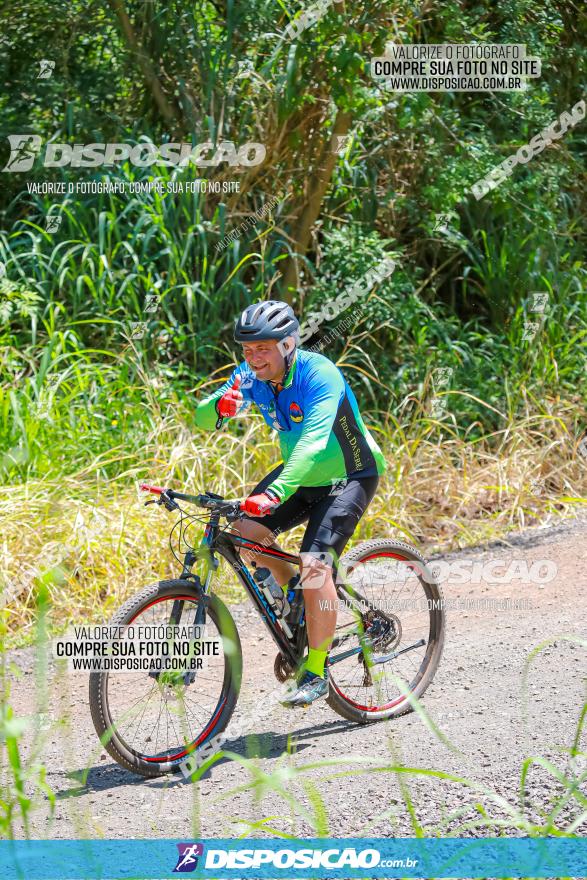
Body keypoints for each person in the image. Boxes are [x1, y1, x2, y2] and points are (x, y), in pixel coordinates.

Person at [194, 301, 386, 707]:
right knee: (245, 536)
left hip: (348, 475)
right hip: (301, 474)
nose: (253, 359)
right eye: (246, 350)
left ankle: (316, 671)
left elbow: (315, 442)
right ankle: (299, 599)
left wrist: (276, 493)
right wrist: (219, 407)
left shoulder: (320, 375)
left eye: (262, 349)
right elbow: (201, 416)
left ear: (288, 344)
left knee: (315, 565)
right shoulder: (249, 376)